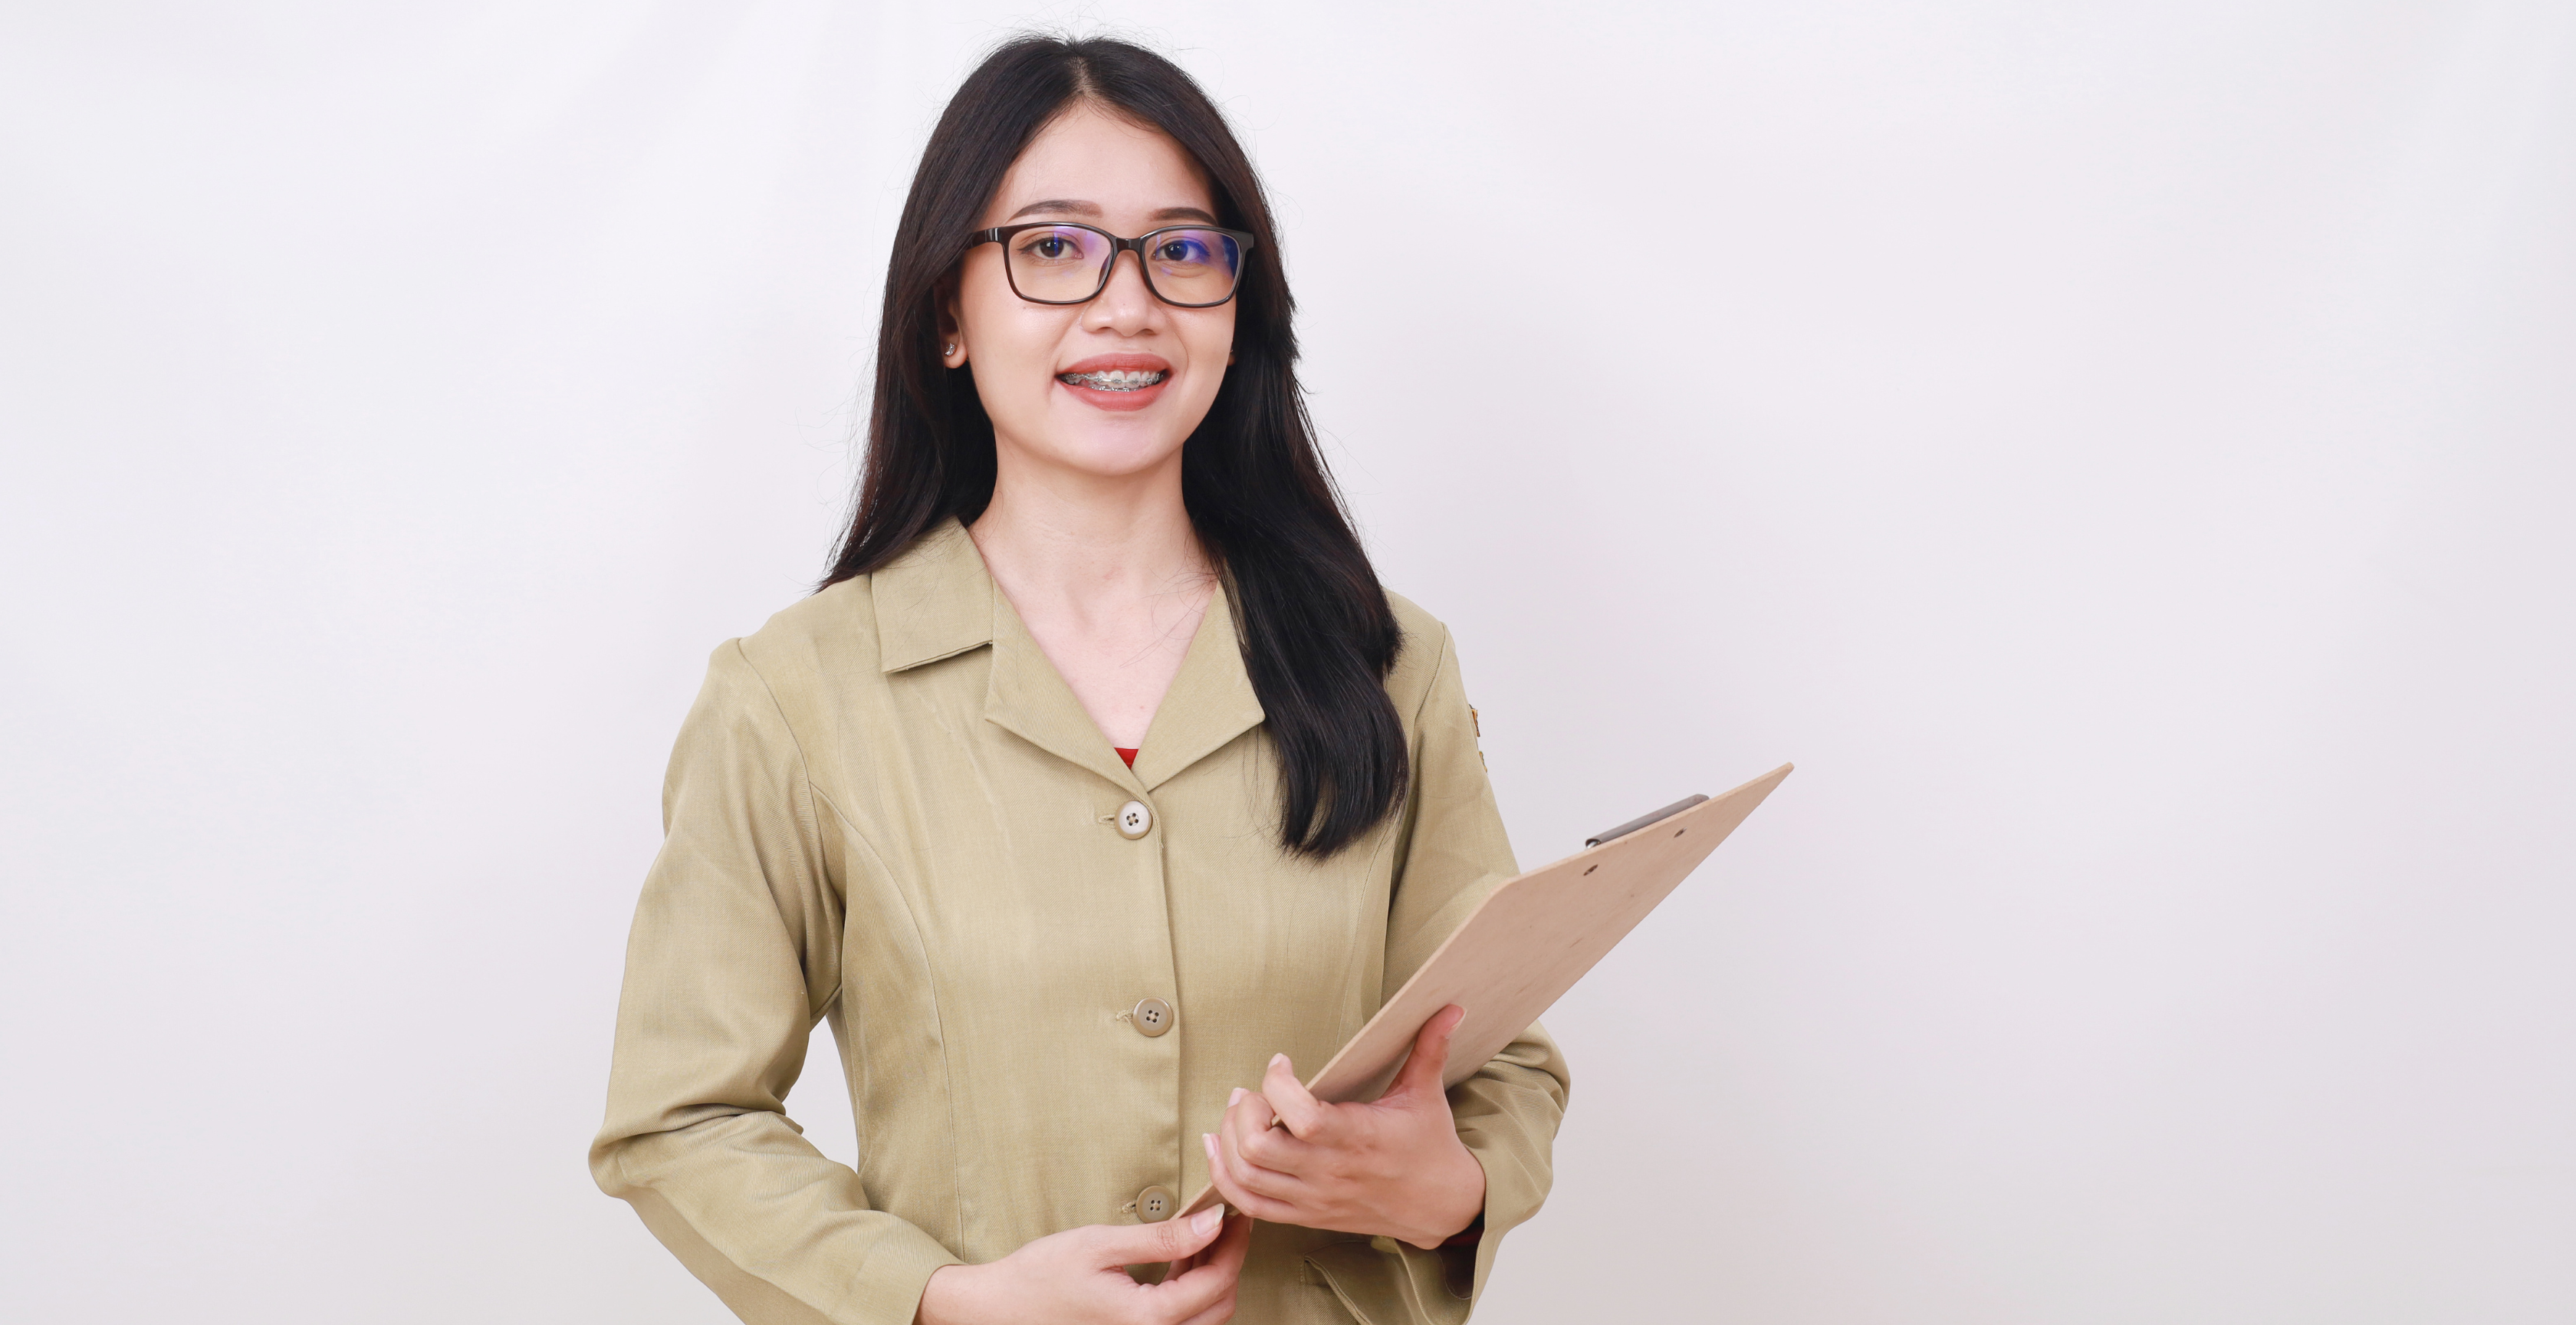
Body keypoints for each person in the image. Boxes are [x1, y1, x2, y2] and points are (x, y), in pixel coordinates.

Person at [590, 35, 1567, 1325]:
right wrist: (938, 1299)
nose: (1127, 306)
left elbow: (1498, 1061)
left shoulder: (1389, 662)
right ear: (948, 309)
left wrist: (1449, 1188)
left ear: (1237, 303)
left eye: (1182, 250)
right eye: (1052, 249)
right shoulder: (794, 699)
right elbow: (679, 1118)